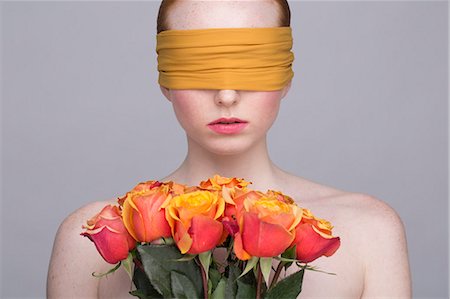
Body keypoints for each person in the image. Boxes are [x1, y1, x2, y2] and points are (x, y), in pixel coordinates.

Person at [47, 0, 412, 298]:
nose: (226, 95)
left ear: (285, 75)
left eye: (253, 65)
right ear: (165, 79)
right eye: (197, 67)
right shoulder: (89, 240)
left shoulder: (370, 233)